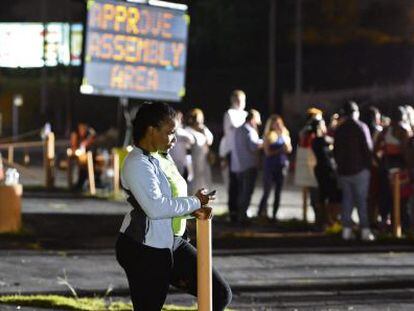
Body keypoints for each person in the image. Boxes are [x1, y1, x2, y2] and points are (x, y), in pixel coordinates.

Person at [115, 102, 232, 311]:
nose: (175, 139)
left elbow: (171, 199)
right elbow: (156, 207)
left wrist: (191, 210)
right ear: (151, 131)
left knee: (219, 294)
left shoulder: (162, 157)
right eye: (170, 132)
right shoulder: (136, 163)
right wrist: (195, 201)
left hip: (172, 241)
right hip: (144, 248)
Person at [334, 101, 375, 241]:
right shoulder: (361, 127)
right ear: (356, 112)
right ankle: (365, 230)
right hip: (360, 169)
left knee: (347, 200)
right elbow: (368, 149)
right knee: (361, 201)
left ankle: (346, 230)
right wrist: (369, 166)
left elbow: (336, 150)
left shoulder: (339, 129)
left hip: (344, 170)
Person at [375, 106, 413, 231]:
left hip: (387, 165)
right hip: (401, 166)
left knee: (390, 196)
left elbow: (376, 149)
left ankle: (392, 224)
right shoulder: (404, 129)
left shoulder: (385, 131)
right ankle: (404, 226)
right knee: (403, 198)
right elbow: (405, 151)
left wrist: (381, 157)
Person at [219, 90, 248, 222]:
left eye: (243, 100)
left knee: (244, 183)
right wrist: (225, 154)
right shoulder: (229, 114)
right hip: (232, 152)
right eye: (239, 100)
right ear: (234, 101)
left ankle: (243, 209)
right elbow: (231, 133)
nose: (241, 103)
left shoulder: (246, 114)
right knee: (234, 183)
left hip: (245, 153)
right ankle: (233, 211)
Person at [257, 114, 292, 220]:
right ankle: (261, 212)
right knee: (267, 191)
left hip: (281, 165)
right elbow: (267, 152)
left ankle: (274, 214)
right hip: (270, 166)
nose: (278, 125)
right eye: (275, 124)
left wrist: (285, 146)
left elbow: (289, 149)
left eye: (279, 123)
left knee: (278, 192)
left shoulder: (285, 134)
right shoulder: (269, 135)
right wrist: (280, 150)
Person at [232, 109, 263, 223]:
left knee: (241, 192)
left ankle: (239, 216)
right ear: (253, 119)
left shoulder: (238, 130)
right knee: (247, 192)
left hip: (238, 166)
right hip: (249, 165)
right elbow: (253, 147)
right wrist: (263, 143)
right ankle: (242, 217)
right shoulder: (249, 131)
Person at [310, 118, 341, 227]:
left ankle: (324, 220)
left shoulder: (316, 140)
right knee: (332, 195)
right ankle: (330, 219)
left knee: (323, 195)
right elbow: (332, 140)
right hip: (326, 170)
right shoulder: (320, 140)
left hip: (321, 170)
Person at [185, 108, 214, 195]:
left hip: (204, 160)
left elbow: (210, 141)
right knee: (195, 183)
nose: (200, 121)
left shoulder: (203, 129)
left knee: (205, 181)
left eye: (201, 119)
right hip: (193, 161)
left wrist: (203, 130)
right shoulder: (187, 130)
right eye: (198, 119)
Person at [70, 123, 97, 191]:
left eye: (83, 128)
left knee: (85, 166)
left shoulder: (90, 133)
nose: (81, 130)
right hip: (79, 154)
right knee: (79, 165)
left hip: (89, 155)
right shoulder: (75, 134)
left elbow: (91, 139)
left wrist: (85, 144)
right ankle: (79, 183)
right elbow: (73, 145)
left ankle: (85, 183)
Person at [169, 110, 194, 181]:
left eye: (180, 118)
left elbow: (191, 140)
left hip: (182, 163)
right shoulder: (174, 131)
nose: (180, 120)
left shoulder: (183, 131)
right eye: (178, 118)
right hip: (172, 162)